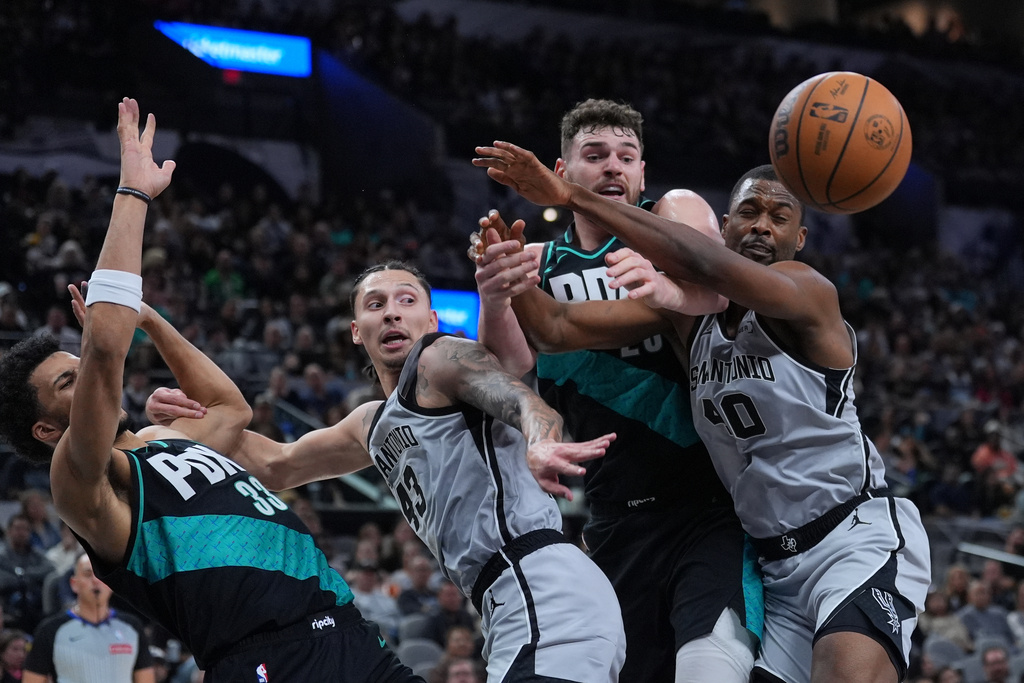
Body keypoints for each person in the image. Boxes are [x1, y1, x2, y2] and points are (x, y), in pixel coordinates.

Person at [470, 144, 932, 683]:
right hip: (776, 565)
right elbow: (556, 330)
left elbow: (705, 264)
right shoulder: (684, 320)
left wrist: (572, 195)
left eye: (780, 218)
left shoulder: (809, 295)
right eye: (751, 214)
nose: (762, 228)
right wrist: (509, 274)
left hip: (853, 535)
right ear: (728, 225)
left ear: (799, 240)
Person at [0, 99, 423, 683]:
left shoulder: (161, 438)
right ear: (46, 429)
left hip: (345, 630)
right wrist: (133, 196)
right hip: (265, 658)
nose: (89, 379)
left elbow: (231, 408)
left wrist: (149, 317)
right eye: (67, 383)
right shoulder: (80, 480)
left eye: (77, 369)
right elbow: (104, 349)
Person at [149, 260, 627, 681]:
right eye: (375, 304)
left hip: (543, 588)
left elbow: (520, 396)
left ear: (432, 319)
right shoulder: (371, 423)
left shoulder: (440, 357)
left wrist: (541, 441)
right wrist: (188, 419)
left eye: (406, 300)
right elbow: (274, 465)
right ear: (357, 329)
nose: (392, 312)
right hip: (505, 605)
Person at [469, 98, 760, 683]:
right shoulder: (539, 261)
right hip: (612, 517)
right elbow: (510, 364)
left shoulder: (672, 223)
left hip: (707, 504)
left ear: (644, 173)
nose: (613, 168)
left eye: (627, 157)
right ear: (561, 172)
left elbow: (722, 292)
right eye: (595, 156)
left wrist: (668, 292)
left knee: (712, 667)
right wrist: (497, 294)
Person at [23, 553, 156, 683]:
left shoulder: (132, 627)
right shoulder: (50, 630)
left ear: (112, 583)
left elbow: (146, 678)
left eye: (101, 575)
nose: (95, 580)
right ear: (74, 584)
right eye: (88, 574)